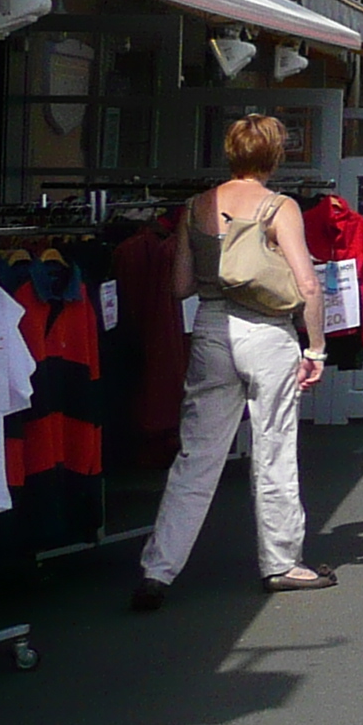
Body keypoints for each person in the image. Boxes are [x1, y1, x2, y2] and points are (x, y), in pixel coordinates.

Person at [133, 113, 336, 607]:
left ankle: (158, 569)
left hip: (211, 327)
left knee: (197, 456)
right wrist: (316, 348)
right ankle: (282, 562)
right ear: (274, 156)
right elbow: (307, 284)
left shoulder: (196, 206)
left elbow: (180, 286)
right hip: (267, 332)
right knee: (273, 449)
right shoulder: (279, 207)